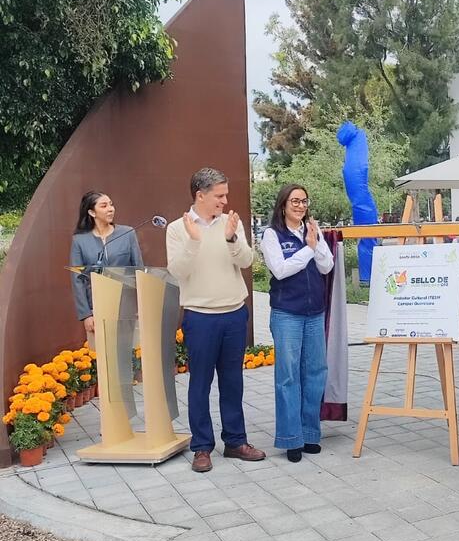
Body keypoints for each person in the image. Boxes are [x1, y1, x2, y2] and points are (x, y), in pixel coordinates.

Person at [166, 167, 265, 473]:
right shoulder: (177, 229)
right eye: (219, 195)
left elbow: (247, 261)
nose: (225, 200)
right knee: (200, 384)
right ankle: (202, 447)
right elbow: (177, 272)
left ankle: (235, 442)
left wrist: (233, 237)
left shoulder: (230, 223)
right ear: (201, 195)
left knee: (233, 382)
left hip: (234, 314)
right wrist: (194, 241)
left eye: (225, 194)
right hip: (200, 318)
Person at [260, 183, 333, 463]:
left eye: (304, 201)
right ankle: (291, 438)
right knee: (288, 377)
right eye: (295, 201)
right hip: (287, 314)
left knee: (315, 373)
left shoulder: (312, 231)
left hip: (314, 312)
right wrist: (308, 250)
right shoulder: (271, 235)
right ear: (283, 205)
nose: (301, 206)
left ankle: (310, 434)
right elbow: (280, 271)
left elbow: (326, 267)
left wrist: (317, 243)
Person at [70, 191, 143, 339]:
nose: (110, 209)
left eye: (111, 204)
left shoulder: (127, 233)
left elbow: (139, 271)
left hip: (127, 307)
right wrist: (86, 315)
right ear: (92, 212)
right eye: (104, 206)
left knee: (130, 354)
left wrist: (142, 305)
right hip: (96, 309)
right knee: (103, 357)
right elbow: (78, 280)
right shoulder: (79, 241)